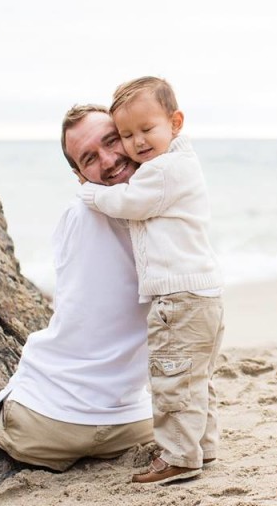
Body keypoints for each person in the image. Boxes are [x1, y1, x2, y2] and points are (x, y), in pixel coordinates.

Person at [0, 104, 154, 472]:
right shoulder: (92, 213)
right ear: (80, 177)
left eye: (112, 141)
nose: (109, 160)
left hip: (60, 422)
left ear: (130, 137)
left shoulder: (135, 212)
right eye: (90, 157)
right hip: (89, 421)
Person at [78, 77, 225, 485]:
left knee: (171, 376)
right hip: (201, 295)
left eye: (147, 129)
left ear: (175, 123)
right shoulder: (177, 163)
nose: (137, 142)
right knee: (195, 379)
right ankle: (201, 447)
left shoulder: (163, 170)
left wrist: (91, 193)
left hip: (179, 298)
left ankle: (178, 457)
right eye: (126, 135)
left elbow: (129, 203)